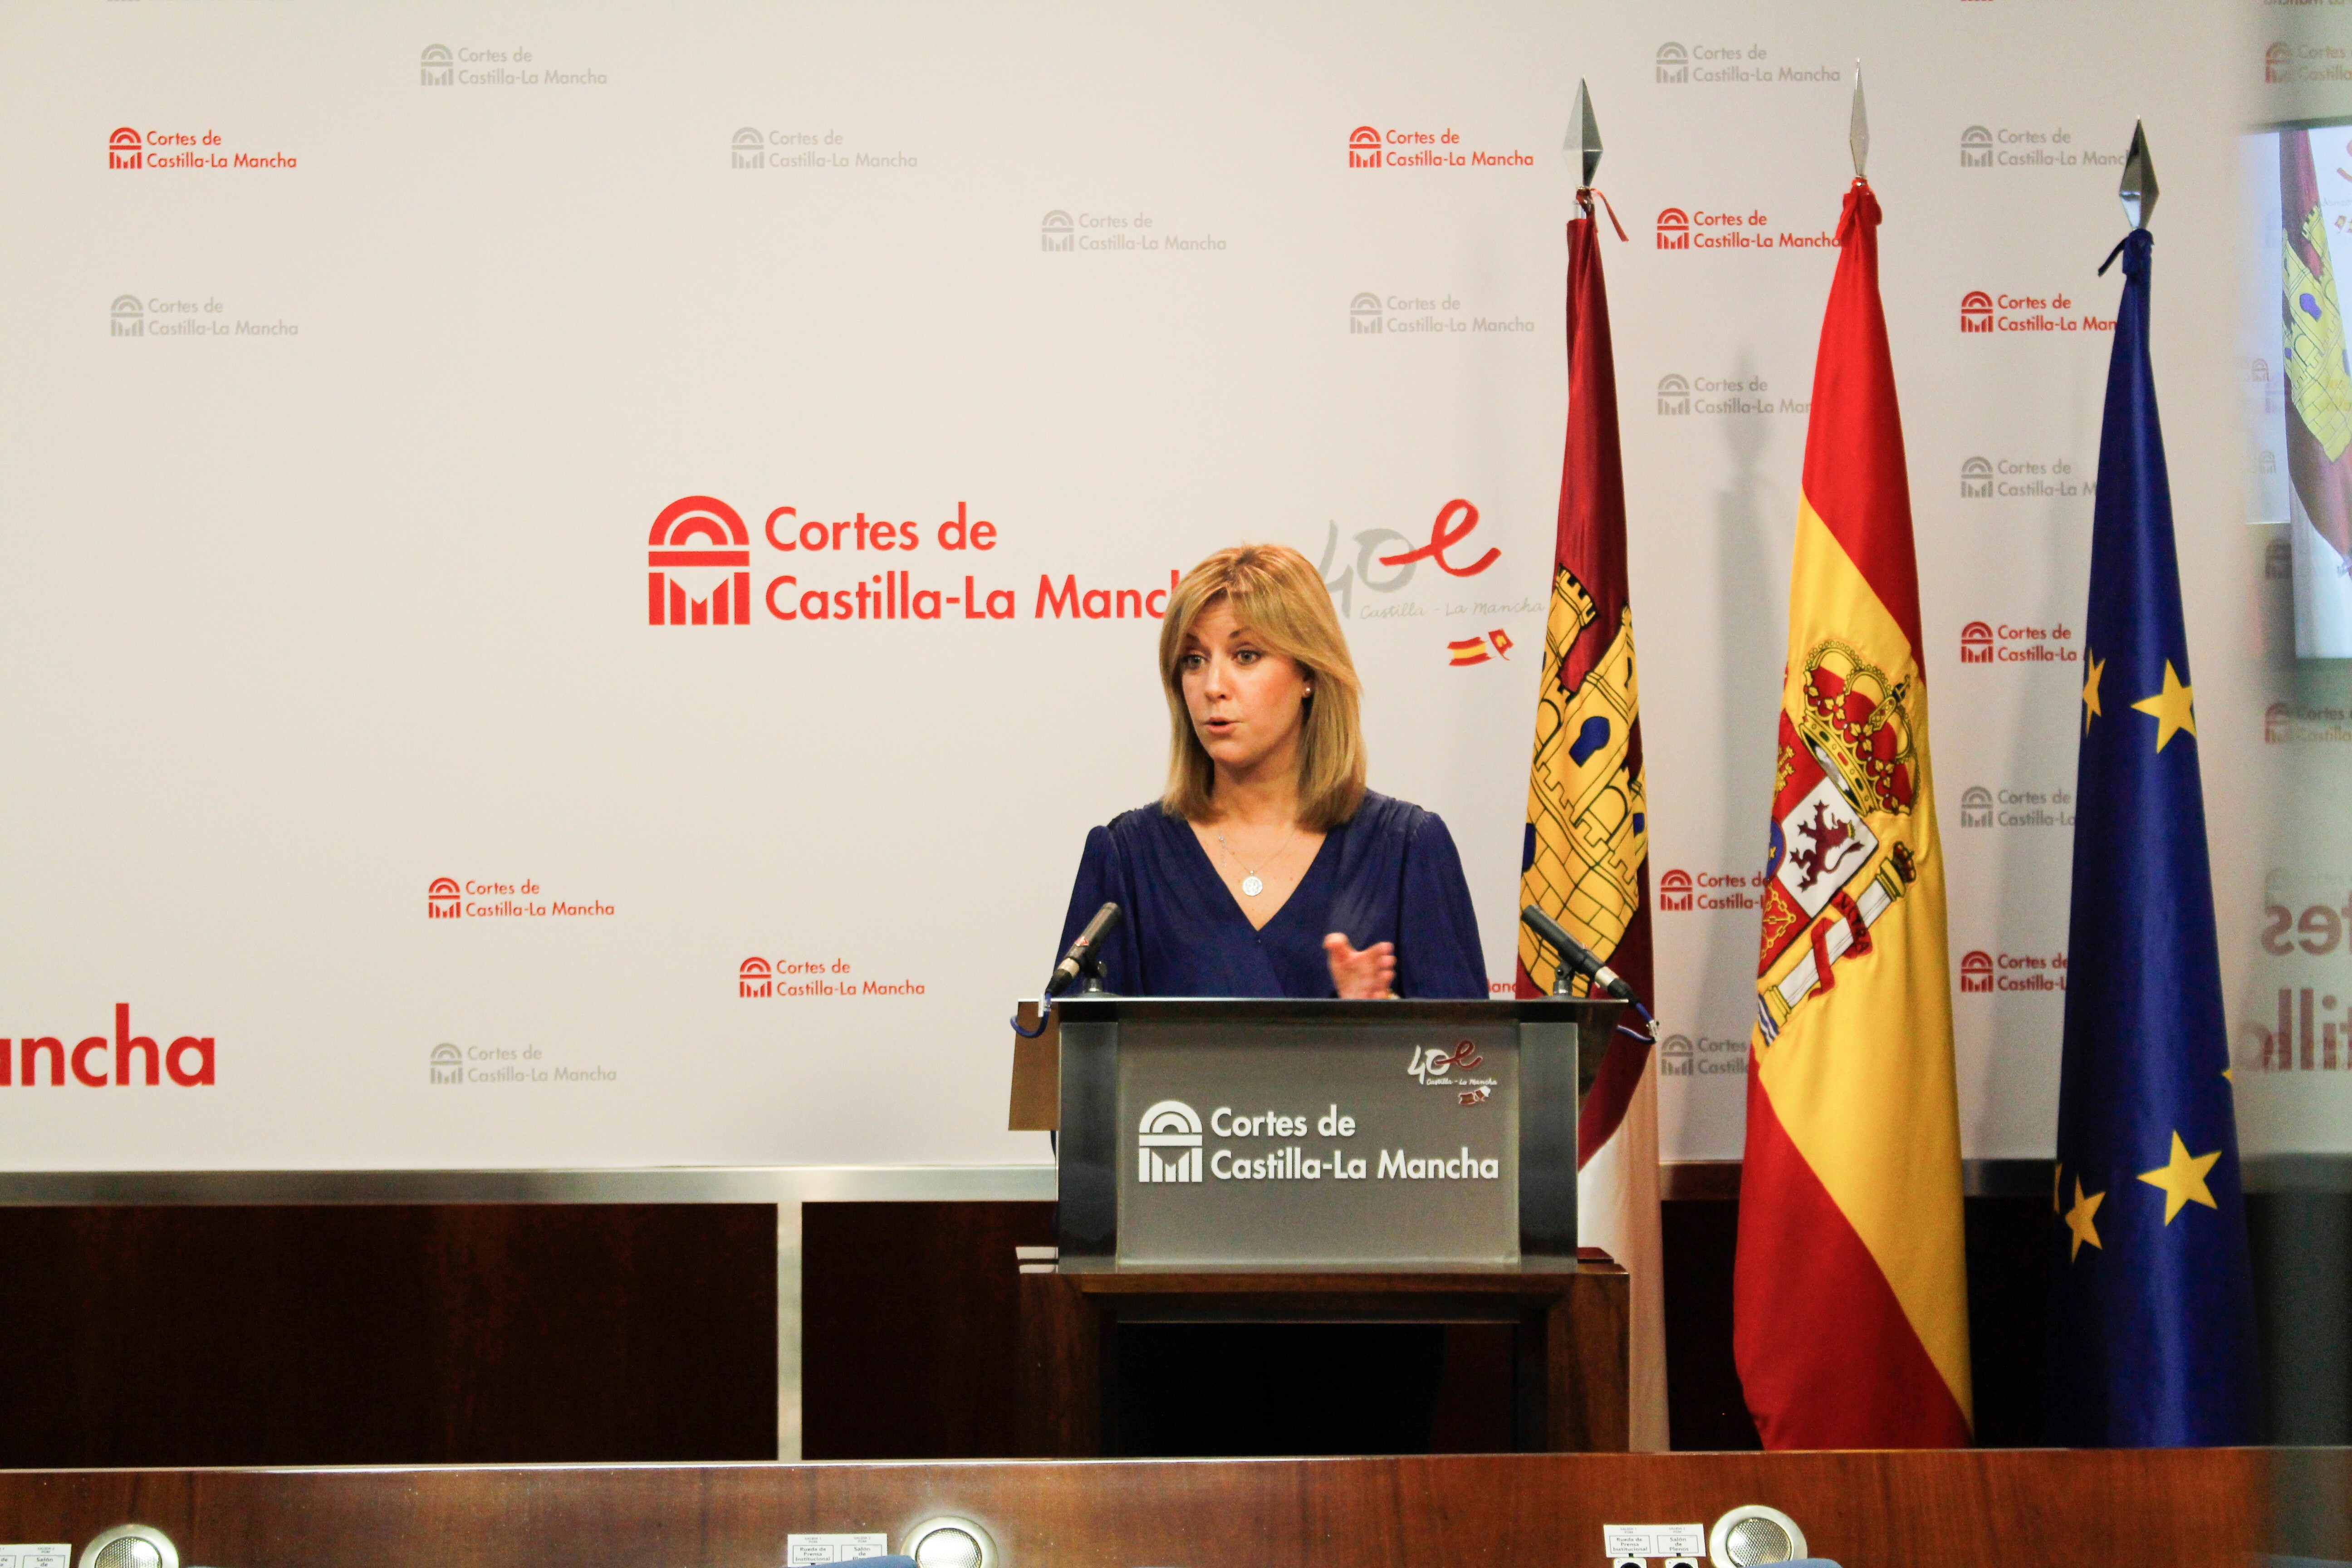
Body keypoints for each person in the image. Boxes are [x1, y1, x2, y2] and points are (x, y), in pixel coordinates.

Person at [1055, 541, 1486, 999]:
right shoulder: (1127, 857)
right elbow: (1072, 1040)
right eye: (1194, 661)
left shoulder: (1407, 850)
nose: (1213, 687)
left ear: (1309, 673)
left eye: (1246, 656)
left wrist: (1378, 1024)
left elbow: (1465, 1043)